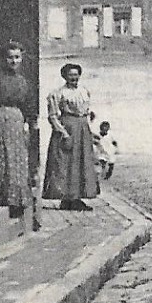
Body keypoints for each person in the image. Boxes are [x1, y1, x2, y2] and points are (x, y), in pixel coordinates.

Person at [42, 62, 99, 211]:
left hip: (82, 129)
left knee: (82, 162)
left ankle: (77, 197)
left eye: (76, 74)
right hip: (68, 127)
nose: (74, 78)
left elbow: (86, 110)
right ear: (64, 76)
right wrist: (63, 132)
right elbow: (53, 116)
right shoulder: (58, 93)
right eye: (70, 75)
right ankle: (66, 198)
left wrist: (89, 119)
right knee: (66, 163)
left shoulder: (84, 91)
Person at [0, 41, 33, 217]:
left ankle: (18, 200)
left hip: (17, 119)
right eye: (10, 57)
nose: (13, 61)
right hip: (0, 117)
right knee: (3, 156)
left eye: (17, 57)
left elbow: (27, 103)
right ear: (4, 59)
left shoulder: (22, 80)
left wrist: (27, 122)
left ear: (21, 59)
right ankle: (3, 197)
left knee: (18, 157)